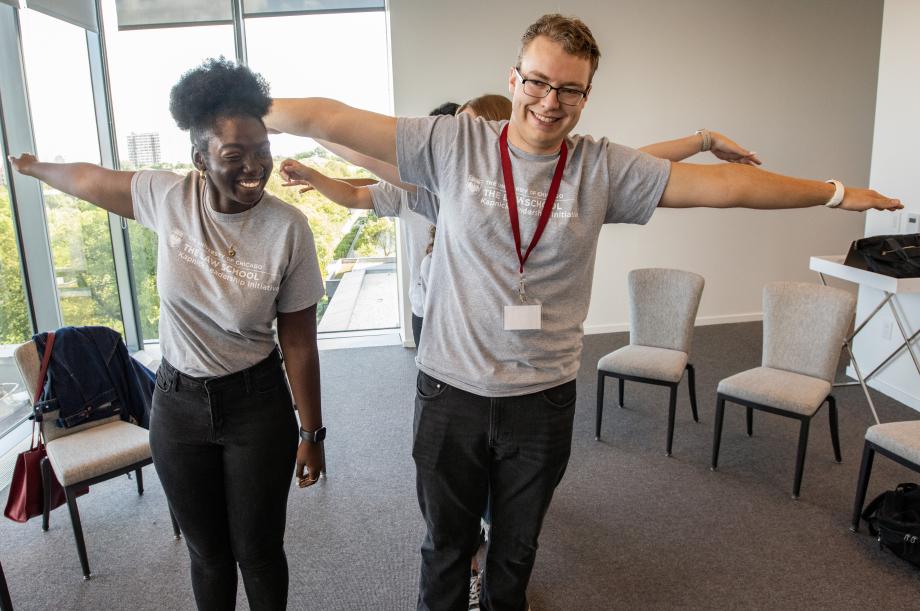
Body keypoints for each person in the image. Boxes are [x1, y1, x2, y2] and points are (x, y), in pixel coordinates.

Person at [266, 11, 901, 605]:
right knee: (445, 551)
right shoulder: (454, 144)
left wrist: (836, 193)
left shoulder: (602, 168)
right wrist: (237, 114)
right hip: (450, 393)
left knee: (515, 553)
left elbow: (728, 185)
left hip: (541, 400)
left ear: (587, 94)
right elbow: (329, 118)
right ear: (514, 78)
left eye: (570, 90)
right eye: (538, 82)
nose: (550, 101)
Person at [10, 57, 326, 610]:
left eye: (262, 152)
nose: (254, 166)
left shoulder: (288, 228)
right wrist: (38, 169)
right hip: (177, 406)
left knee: (258, 550)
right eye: (234, 155)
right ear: (199, 159)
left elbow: (299, 338)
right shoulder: (168, 197)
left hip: (256, 403)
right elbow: (88, 180)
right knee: (207, 554)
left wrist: (312, 432)